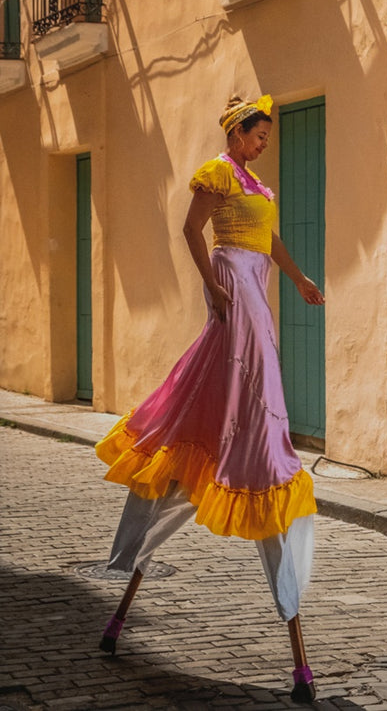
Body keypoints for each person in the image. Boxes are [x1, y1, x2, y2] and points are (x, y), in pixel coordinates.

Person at [95, 93, 324, 704]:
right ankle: (242, 430)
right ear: (237, 132)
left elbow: (270, 239)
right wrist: (212, 285)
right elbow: (190, 231)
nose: (264, 142)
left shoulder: (259, 187)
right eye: (258, 134)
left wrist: (299, 276)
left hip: (258, 278)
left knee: (259, 368)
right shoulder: (218, 174)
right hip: (231, 277)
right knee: (239, 366)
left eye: (267, 136)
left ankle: (254, 432)